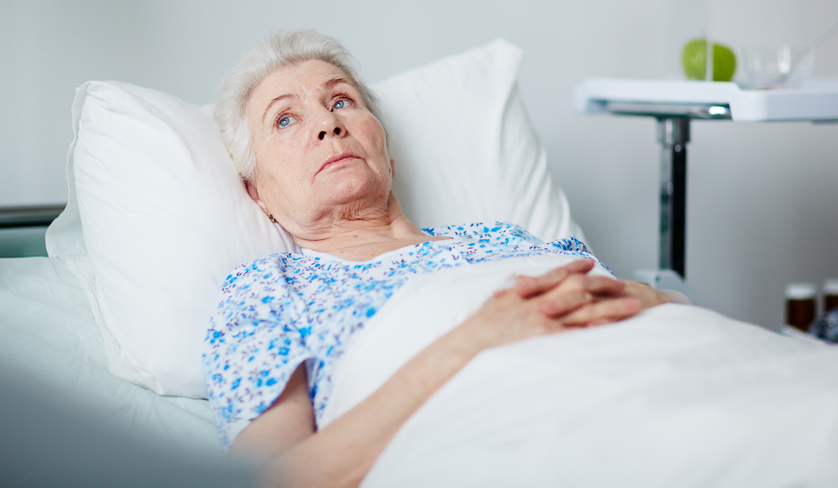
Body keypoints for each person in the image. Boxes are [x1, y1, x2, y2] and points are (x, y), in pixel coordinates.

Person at [203, 30, 671, 488]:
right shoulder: (267, 291)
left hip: (657, 396)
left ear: (386, 154)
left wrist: (644, 298)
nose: (328, 124)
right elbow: (273, 480)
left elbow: (668, 308)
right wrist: (473, 340)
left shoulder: (502, 238)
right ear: (258, 193)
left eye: (341, 100)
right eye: (285, 119)